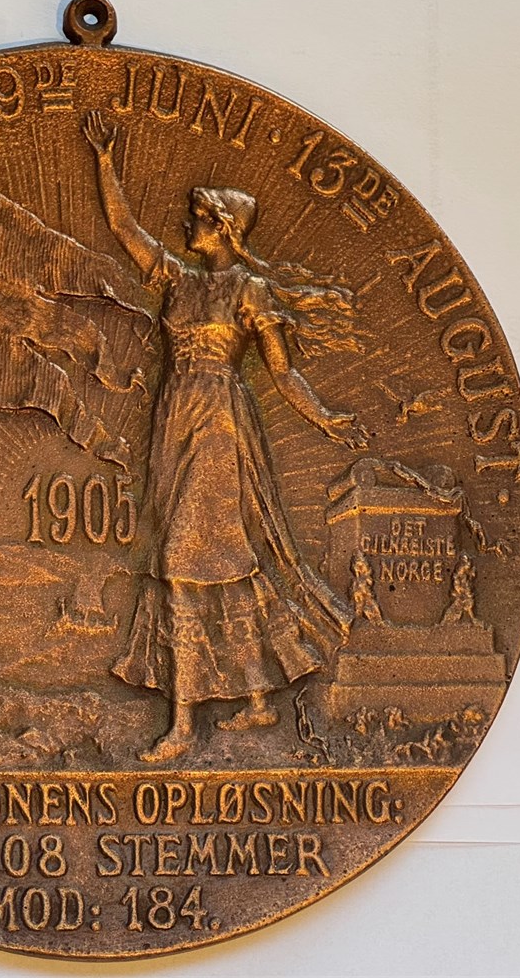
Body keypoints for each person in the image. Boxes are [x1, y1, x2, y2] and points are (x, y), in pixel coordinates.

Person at [82, 111, 368, 762]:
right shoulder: (177, 280)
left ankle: (183, 725)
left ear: (220, 226)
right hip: (173, 424)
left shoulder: (251, 290)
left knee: (183, 563)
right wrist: (104, 160)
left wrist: (324, 417)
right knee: (217, 559)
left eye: (195, 218)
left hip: (217, 425)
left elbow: (282, 371)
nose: (185, 226)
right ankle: (260, 698)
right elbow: (124, 230)